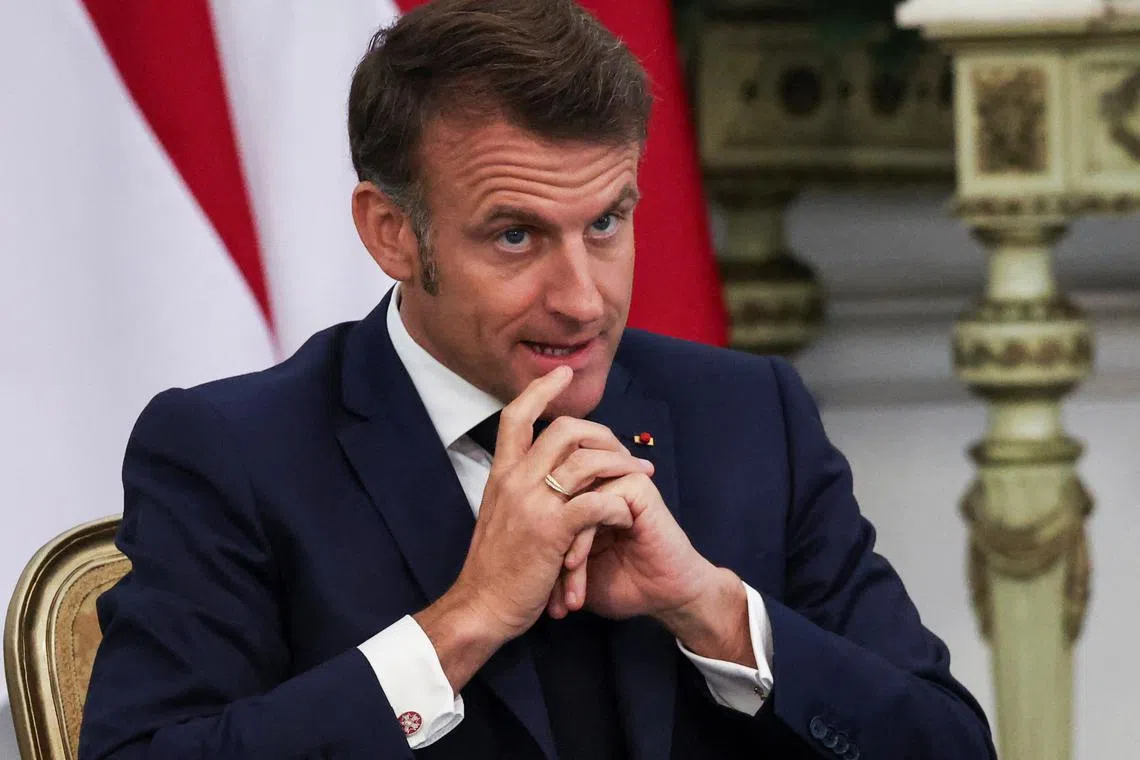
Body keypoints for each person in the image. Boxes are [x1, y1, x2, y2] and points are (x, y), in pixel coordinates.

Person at [78, 1, 996, 758]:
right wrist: (464, 622)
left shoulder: (750, 417)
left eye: (606, 223)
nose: (583, 299)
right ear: (392, 233)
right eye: (516, 236)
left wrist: (712, 611)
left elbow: (950, 746)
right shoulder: (234, 454)